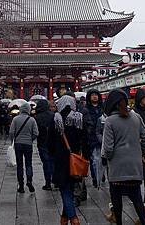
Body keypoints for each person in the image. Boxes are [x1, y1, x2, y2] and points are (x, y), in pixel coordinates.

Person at [101, 89, 145, 225]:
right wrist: (143, 152)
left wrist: (106, 158)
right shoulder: (136, 117)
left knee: (116, 199)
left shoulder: (110, 121)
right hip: (135, 165)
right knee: (137, 198)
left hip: (117, 167)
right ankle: (144, 221)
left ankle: (119, 222)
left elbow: (108, 148)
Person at [48, 94, 88, 225]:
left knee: (64, 189)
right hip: (75, 160)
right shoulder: (79, 118)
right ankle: (64, 218)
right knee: (69, 189)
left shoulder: (55, 119)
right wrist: (84, 156)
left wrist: (52, 155)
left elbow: (50, 143)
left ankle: (74, 218)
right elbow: (85, 140)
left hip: (60, 160)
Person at [9, 102, 39, 193]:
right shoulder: (32, 120)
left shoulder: (15, 119)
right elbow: (36, 133)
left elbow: (11, 132)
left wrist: (12, 141)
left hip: (18, 143)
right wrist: (30, 139)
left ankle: (21, 185)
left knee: (20, 164)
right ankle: (29, 181)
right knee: (28, 163)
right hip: (28, 144)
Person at [82, 89, 104, 188]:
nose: (95, 97)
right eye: (92, 95)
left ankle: (101, 174)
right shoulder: (85, 110)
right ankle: (95, 177)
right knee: (94, 159)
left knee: (102, 158)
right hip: (91, 138)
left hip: (103, 136)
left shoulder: (103, 108)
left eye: (96, 95)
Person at [34, 98, 55, 190]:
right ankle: (55, 180)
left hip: (42, 142)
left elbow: (35, 132)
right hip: (52, 142)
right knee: (53, 161)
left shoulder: (36, 117)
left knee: (46, 163)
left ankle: (48, 183)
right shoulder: (53, 115)